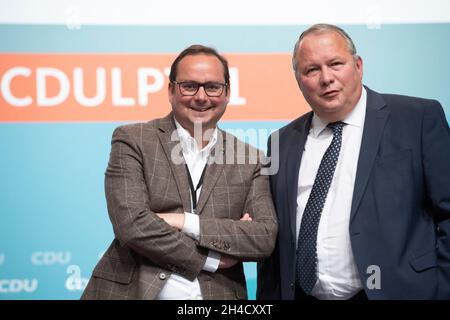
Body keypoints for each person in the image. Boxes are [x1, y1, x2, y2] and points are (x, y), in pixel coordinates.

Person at [257, 23, 450, 300]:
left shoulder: (418, 118)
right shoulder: (282, 141)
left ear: (358, 66)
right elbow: (276, 235)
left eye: (336, 64)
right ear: (299, 81)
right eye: (312, 70)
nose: (326, 78)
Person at [82, 45, 278, 300]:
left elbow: (263, 237)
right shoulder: (133, 139)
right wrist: (210, 258)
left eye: (212, 87)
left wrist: (184, 221)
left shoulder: (251, 159)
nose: (201, 96)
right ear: (171, 90)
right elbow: (131, 224)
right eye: (189, 86)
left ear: (227, 93)